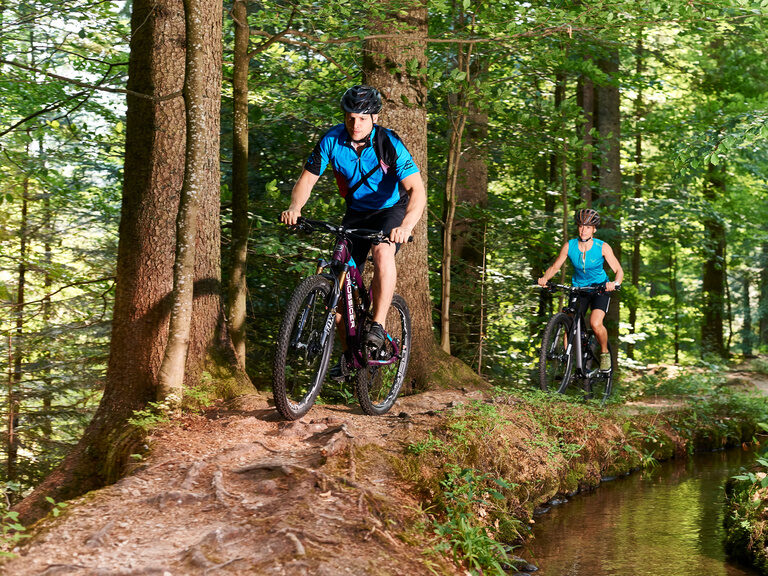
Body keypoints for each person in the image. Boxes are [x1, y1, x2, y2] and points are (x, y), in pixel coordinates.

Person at [280, 85, 426, 375]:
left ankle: (378, 325)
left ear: (373, 117)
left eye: (361, 118)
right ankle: (348, 358)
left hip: (390, 211)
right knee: (336, 280)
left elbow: (417, 191)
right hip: (356, 213)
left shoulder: (389, 143)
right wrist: (295, 208)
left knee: (383, 253)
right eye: (350, 118)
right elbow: (306, 181)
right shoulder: (332, 140)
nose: (355, 124)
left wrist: (405, 226)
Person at [537, 208, 624, 371]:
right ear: (578, 227)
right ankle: (568, 361)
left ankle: (605, 353)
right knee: (569, 322)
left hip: (600, 289)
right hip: (579, 289)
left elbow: (619, 270)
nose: (584, 230)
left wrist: (615, 283)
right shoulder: (569, 246)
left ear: (594, 229)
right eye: (581, 226)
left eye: (588, 227)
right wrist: (545, 279)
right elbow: (555, 266)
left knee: (595, 323)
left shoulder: (602, 247)